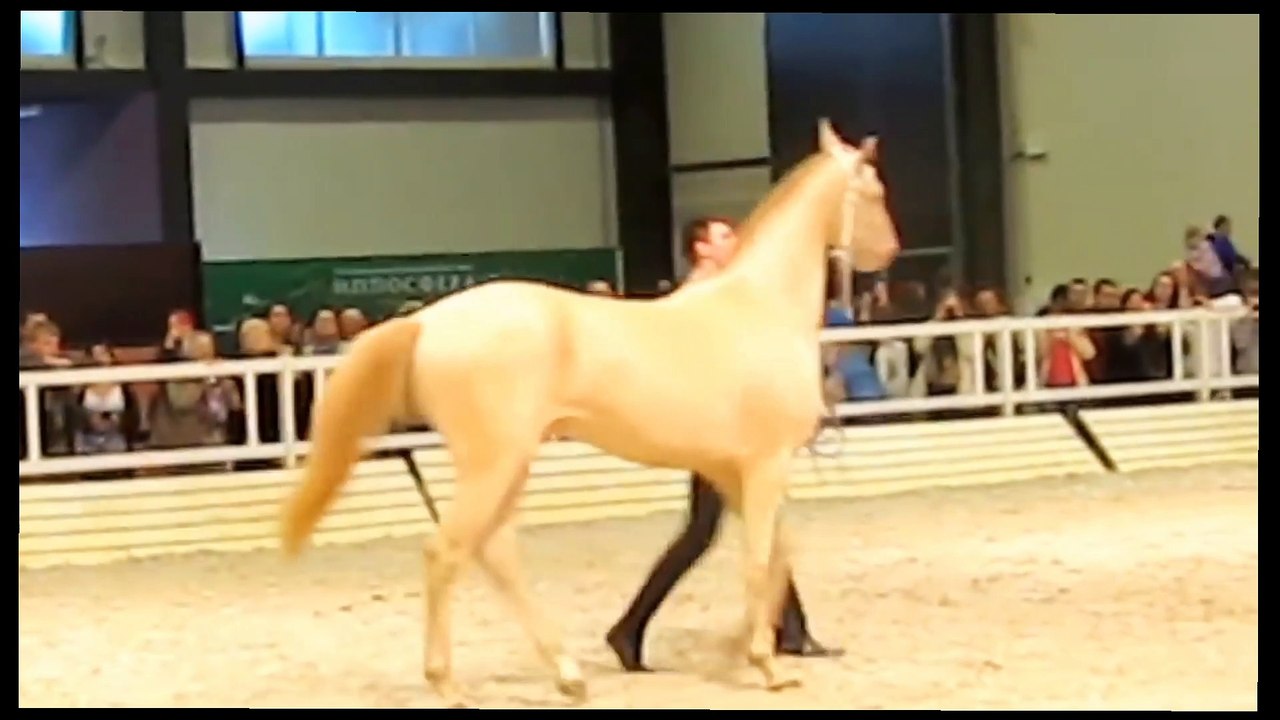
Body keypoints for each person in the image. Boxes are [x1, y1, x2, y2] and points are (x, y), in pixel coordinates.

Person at [604, 216, 842, 673]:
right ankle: (631, 626)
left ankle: (790, 629)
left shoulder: (728, 292)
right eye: (724, 236)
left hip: (730, 430)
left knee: (728, 528)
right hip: (712, 432)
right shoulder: (698, 297)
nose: (735, 241)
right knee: (709, 532)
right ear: (701, 249)